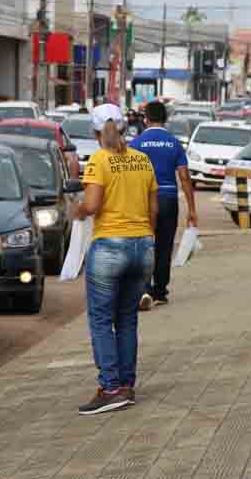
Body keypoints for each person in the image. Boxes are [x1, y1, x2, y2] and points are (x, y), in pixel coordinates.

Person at [73, 103, 159, 415]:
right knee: (126, 318)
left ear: (95, 132)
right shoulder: (142, 159)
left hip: (110, 246)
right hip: (143, 245)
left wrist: (78, 210)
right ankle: (126, 384)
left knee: (100, 319)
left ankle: (110, 387)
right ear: (124, 128)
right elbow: (154, 210)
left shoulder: (99, 159)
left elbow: (93, 204)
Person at [131, 101, 198, 310]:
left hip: (143, 200)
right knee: (164, 246)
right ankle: (160, 291)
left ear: (146, 119)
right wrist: (192, 209)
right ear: (165, 120)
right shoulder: (174, 143)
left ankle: (143, 289)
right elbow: (185, 177)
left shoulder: (136, 143)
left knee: (143, 245)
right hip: (168, 198)